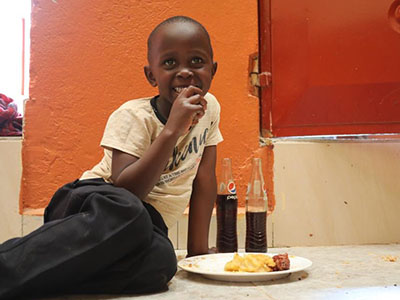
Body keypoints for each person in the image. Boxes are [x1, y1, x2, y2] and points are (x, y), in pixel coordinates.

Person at [0, 15, 222, 299]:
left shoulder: (210, 110)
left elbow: (204, 178)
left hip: (141, 228)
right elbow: (127, 189)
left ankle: (45, 284)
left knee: (162, 261)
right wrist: (172, 130)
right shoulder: (133, 116)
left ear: (213, 69)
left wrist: (197, 253)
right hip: (92, 206)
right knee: (133, 213)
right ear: (151, 75)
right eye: (169, 63)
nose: (185, 72)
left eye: (196, 61)